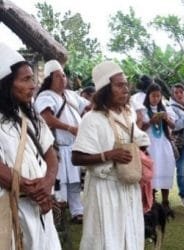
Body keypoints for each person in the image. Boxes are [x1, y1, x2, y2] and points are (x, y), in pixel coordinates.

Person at [71, 61, 149, 250]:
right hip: (104, 190)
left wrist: (142, 155)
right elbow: (77, 158)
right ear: (106, 88)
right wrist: (109, 155)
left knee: (130, 237)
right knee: (104, 239)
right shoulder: (92, 119)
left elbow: (139, 139)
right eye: (119, 85)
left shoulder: (127, 115)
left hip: (128, 188)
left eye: (126, 84)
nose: (126, 89)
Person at [0, 43, 61, 249]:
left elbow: (50, 153)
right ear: (7, 84)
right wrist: (28, 187)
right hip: (10, 206)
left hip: (40, 205)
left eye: (32, 78)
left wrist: (48, 182)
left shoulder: (31, 115)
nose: (33, 85)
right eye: (25, 79)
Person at [34, 59, 89, 223]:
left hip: (74, 146)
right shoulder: (45, 96)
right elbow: (47, 118)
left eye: (64, 76)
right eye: (59, 76)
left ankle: (77, 212)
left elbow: (88, 106)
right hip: (57, 147)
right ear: (50, 78)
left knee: (74, 182)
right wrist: (70, 128)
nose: (63, 79)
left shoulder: (71, 95)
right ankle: (58, 212)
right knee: (59, 182)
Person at [142, 83, 176, 215]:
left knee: (165, 169)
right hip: (151, 145)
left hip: (163, 144)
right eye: (153, 95)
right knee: (152, 172)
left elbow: (173, 126)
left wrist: (166, 118)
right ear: (148, 96)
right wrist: (151, 121)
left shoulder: (166, 108)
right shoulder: (143, 110)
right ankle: (152, 202)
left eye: (158, 96)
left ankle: (166, 201)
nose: (156, 98)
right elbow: (140, 128)